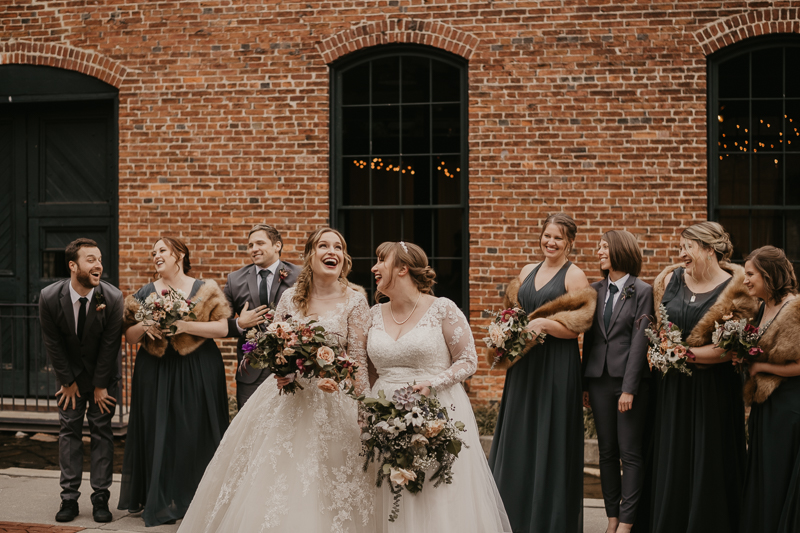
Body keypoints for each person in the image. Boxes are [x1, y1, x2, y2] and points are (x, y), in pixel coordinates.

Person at [177, 228, 374, 533]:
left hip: (335, 396)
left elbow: (359, 360)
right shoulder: (290, 298)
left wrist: (364, 408)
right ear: (310, 255)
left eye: (338, 247)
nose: (331, 251)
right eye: (323, 245)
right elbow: (276, 347)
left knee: (332, 477)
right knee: (278, 474)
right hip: (288, 397)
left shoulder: (356, 301)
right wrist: (282, 370)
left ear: (344, 258)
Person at [367, 241, 511, 532]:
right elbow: (368, 372)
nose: (374, 267)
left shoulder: (443, 308)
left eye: (382, 261)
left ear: (403, 268)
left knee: (435, 493)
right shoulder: (372, 314)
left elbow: (468, 361)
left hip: (436, 413)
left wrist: (432, 383)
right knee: (391, 492)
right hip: (384, 417)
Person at [488, 213, 596, 533]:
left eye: (558, 239)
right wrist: (506, 331)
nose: (550, 242)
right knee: (521, 433)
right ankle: (513, 512)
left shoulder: (575, 276)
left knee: (550, 436)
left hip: (556, 365)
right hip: (525, 364)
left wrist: (545, 325)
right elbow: (517, 313)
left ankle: (547, 518)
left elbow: (581, 326)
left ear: (570, 243)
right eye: (547, 236)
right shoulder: (526, 271)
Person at [649, 221, 757, 533]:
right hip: (673, 390)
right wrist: (662, 349)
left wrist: (685, 354)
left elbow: (729, 349)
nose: (680, 253)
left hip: (714, 391)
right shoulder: (670, 280)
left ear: (709, 250)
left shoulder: (735, 289)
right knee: (674, 459)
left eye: (688, 247)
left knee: (709, 461)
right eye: (680, 247)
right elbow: (661, 327)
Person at [117, 237, 231, 527]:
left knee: (193, 428)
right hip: (156, 369)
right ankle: (161, 495)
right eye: (153, 252)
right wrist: (147, 325)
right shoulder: (144, 293)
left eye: (162, 250)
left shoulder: (205, 290)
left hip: (197, 368)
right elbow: (129, 336)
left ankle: (195, 497)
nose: (155, 255)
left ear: (179, 254)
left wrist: (184, 324)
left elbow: (222, 327)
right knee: (159, 429)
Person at [39, 238, 124, 523]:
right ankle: (69, 499)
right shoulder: (49, 297)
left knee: (102, 433)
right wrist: (67, 381)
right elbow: (53, 343)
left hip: (103, 378)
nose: (98, 264)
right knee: (69, 432)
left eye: (99, 258)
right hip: (69, 380)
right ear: (73, 265)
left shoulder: (112, 298)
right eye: (91, 259)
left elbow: (111, 345)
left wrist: (100, 385)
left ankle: (101, 497)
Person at [582, 230, 653, 533]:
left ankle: (627, 522)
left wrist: (629, 388)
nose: (599, 252)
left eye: (604, 247)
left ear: (621, 251)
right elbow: (590, 337)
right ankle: (611, 519)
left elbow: (640, 343)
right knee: (607, 451)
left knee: (630, 452)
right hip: (598, 380)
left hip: (629, 384)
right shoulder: (593, 289)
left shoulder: (643, 291)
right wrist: (585, 383)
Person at [740, 245, 800, 533]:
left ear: (768, 274)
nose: (745, 280)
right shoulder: (762, 306)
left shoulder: (795, 308)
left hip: (788, 407)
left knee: (778, 474)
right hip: (765, 405)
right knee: (764, 474)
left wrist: (762, 368)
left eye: (750, 274)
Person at [223, 224, 301, 408]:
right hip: (252, 372)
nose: (253, 249)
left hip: (292, 368)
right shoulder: (235, 280)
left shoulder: (300, 275)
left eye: (260, 243)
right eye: (250, 245)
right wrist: (240, 323)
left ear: (277, 245)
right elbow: (220, 323)